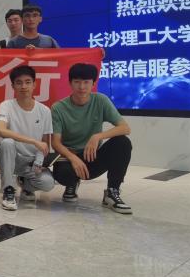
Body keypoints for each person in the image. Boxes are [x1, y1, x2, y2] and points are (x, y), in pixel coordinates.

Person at [50, 63, 133, 213]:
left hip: (92, 156)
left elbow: (125, 128)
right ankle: (72, 184)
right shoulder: (58, 108)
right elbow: (55, 142)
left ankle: (112, 191)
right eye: (77, 82)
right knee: (63, 175)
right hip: (69, 159)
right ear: (70, 83)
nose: (82, 87)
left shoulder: (101, 100)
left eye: (86, 82)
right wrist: (73, 158)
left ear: (93, 83)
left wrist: (98, 136)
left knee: (122, 142)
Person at [0, 65, 56, 211]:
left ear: (34, 84)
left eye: (28, 82)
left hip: (31, 162)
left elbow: (45, 143)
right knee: (7, 143)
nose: (23, 86)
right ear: (12, 86)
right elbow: (1, 130)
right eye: (19, 82)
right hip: (11, 158)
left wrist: (39, 162)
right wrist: (33, 141)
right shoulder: (6, 105)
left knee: (48, 183)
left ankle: (26, 184)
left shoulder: (45, 110)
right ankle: (8, 191)